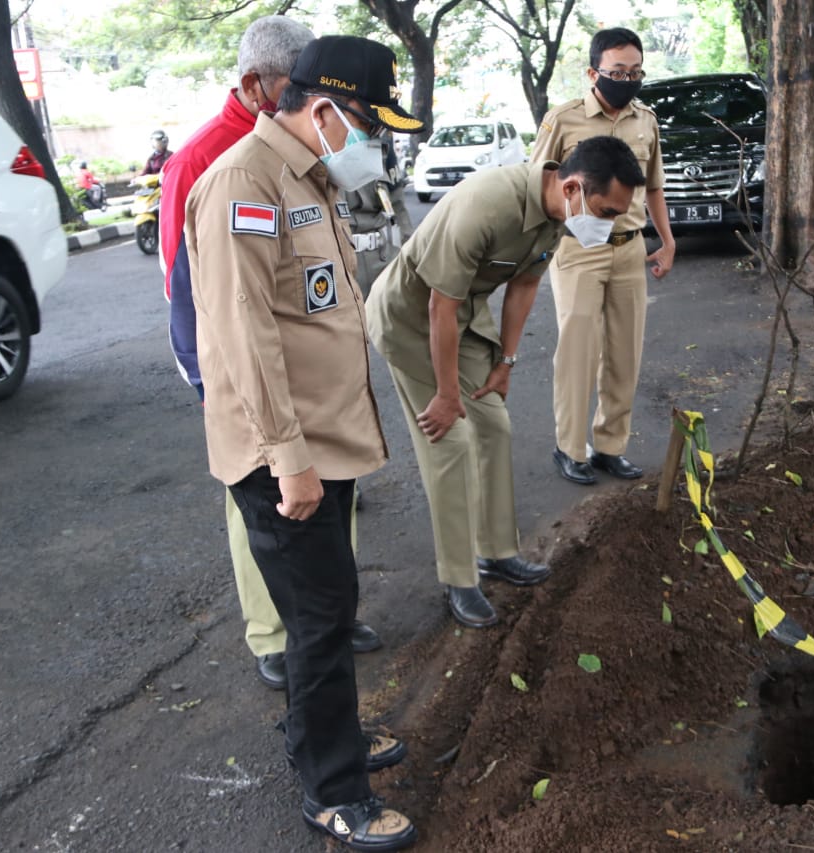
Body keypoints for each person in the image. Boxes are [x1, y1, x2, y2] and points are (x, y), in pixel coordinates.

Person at [185, 34, 424, 850]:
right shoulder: (241, 187)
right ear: (323, 110)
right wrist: (289, 456)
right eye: (367, 124)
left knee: (327, 605)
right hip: (286, 452)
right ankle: (334, 791)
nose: (373, 142)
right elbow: (243, 336)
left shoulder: (308, 179)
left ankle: (331, 736)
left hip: (323, 438)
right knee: (318, 620)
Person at [160, 16, 382, 695]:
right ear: (266, 89)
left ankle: (321, 636)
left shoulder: (308, 164)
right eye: (295, 86)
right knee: (268, 518)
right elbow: (201, 295)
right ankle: (275, 637)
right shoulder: (220, 166)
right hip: (239, 375)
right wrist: (223, 395)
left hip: (313, 397)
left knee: (324, 569)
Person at [365, 135, 645, 629]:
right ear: (574, 187)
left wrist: (506, 363)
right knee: (450, 441)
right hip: (411, 320)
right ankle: (458, 578)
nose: (607, 224)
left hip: (462, 320)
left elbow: (525, 284)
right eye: (604, 211)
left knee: (494, 426)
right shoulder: (487, 205)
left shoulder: (559, 214)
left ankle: (494, 551)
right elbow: (438, 306)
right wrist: (448, 394)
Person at [530, 26, 676, 486]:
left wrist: (667, 241)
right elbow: (539, 183)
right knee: (577, 350)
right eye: (617, 72)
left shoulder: (645, 121)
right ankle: (571, 448)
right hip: (577, 248)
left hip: (630, 249)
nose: (627, 80)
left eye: (635, 72)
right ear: (594, 72)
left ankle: (611, 445)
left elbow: (653, 186)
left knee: (623, 352)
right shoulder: (564, 119)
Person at [347, 136, 413, 296]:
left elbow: (398, 207)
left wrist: (410, 257)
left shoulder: (381, 147)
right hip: (343, 265)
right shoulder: (321, 148)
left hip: (383, 259)